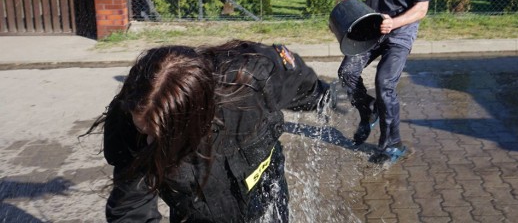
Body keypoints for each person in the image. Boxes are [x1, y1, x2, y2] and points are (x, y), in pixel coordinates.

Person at [86, 40, 334, 222]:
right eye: (143, 129)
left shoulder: (252, 80)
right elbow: (131, 207)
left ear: (196, 117)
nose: (149, 140)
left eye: (160, 133)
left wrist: (325, 98)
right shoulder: (131, 121)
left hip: (266, 196)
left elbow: (300, 80)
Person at [337, 0, 432, 164]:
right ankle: (367, 111)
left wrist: (395, 22)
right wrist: (348, 9)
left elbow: (421, 8)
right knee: (347, 72)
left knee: (384, 82)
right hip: (372, 25)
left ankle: (392, 145)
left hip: (401, 31)